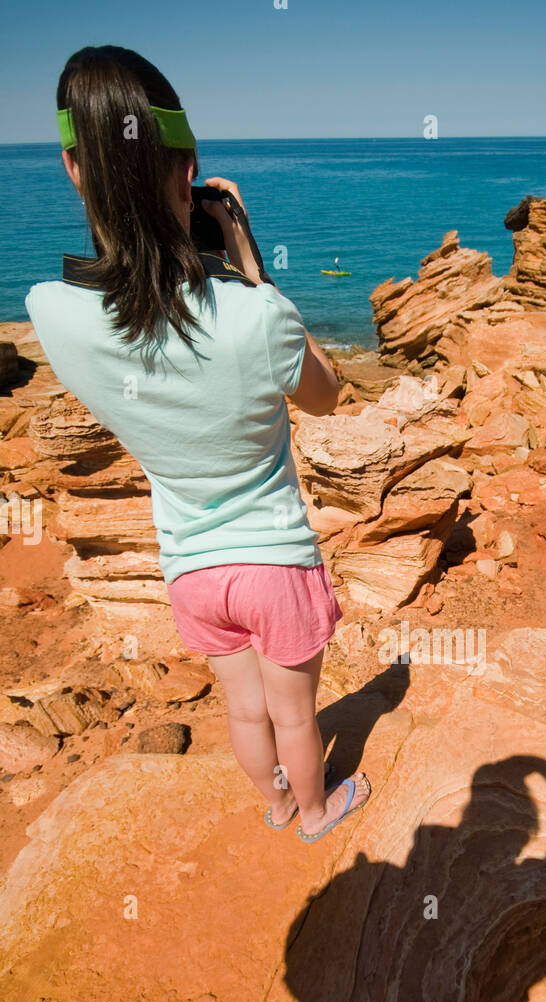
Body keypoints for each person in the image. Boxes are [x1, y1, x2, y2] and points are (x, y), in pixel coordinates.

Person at [26, 45, 371, 842]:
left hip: (189, 567)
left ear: (76, 170)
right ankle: (318, 813)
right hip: (274, 561)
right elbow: (325, 394)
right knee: (294, 711)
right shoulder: (255, 316)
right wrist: (247, 261)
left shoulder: (50, 311)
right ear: (189, 170)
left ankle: (276, 804)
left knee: (244, 709)